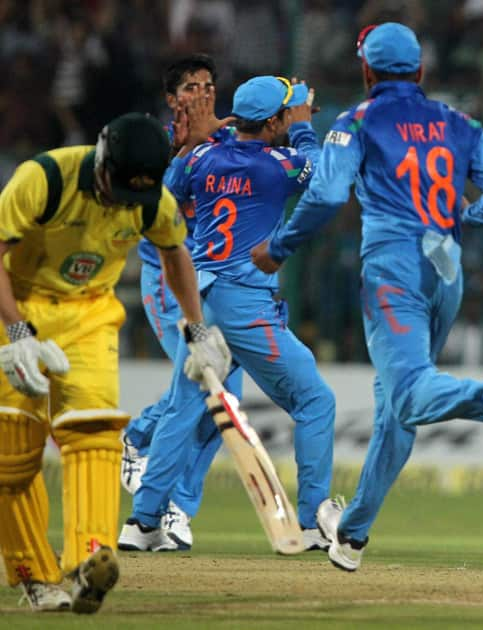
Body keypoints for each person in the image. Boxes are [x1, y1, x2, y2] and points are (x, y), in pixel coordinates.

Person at [250, 22, 483, 572]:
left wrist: (282, 246)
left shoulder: (358, 119)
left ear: (366, 72)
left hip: (393, 265)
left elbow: (329, 191)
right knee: (395, 409)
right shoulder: (459, 122)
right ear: (421, 72)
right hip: (447, 267)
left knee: (405, 392)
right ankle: (352, 535)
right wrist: (470, 217)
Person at [0, 113, 230, 613]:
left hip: (90, 313)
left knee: (95, 436)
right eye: (120, 188)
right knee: (11, 455)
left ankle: (88, 562)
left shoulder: (152, 201)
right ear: (102, 162)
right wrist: (17, 333)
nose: (126, 203)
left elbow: (175, 254)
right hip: (17, 305)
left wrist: (196, 329)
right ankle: (35, 576)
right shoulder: (45, 178)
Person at [117, 75, 338, 553]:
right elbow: (326, 176)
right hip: (244, 304)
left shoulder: (199, 158)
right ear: (275, 120)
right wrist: (302, 127)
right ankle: (313, 521)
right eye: (284, 112)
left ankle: (141, 522)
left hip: (201, 295)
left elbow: (169, 196)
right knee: (315, 402)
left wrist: (201, 144)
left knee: (184, 409)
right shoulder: (278, 166)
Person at [119, 53, 244, 551]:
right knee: (202, 379)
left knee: (223, 391)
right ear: (172, 100)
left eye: (209, 84)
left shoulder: (229, 138)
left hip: (212, 278)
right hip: (166, 275)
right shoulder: (154, 146)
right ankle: (139, 439)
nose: (202, 93)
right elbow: (139, 209)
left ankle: (176, 505)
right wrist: (183, 154)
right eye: (190, 86)